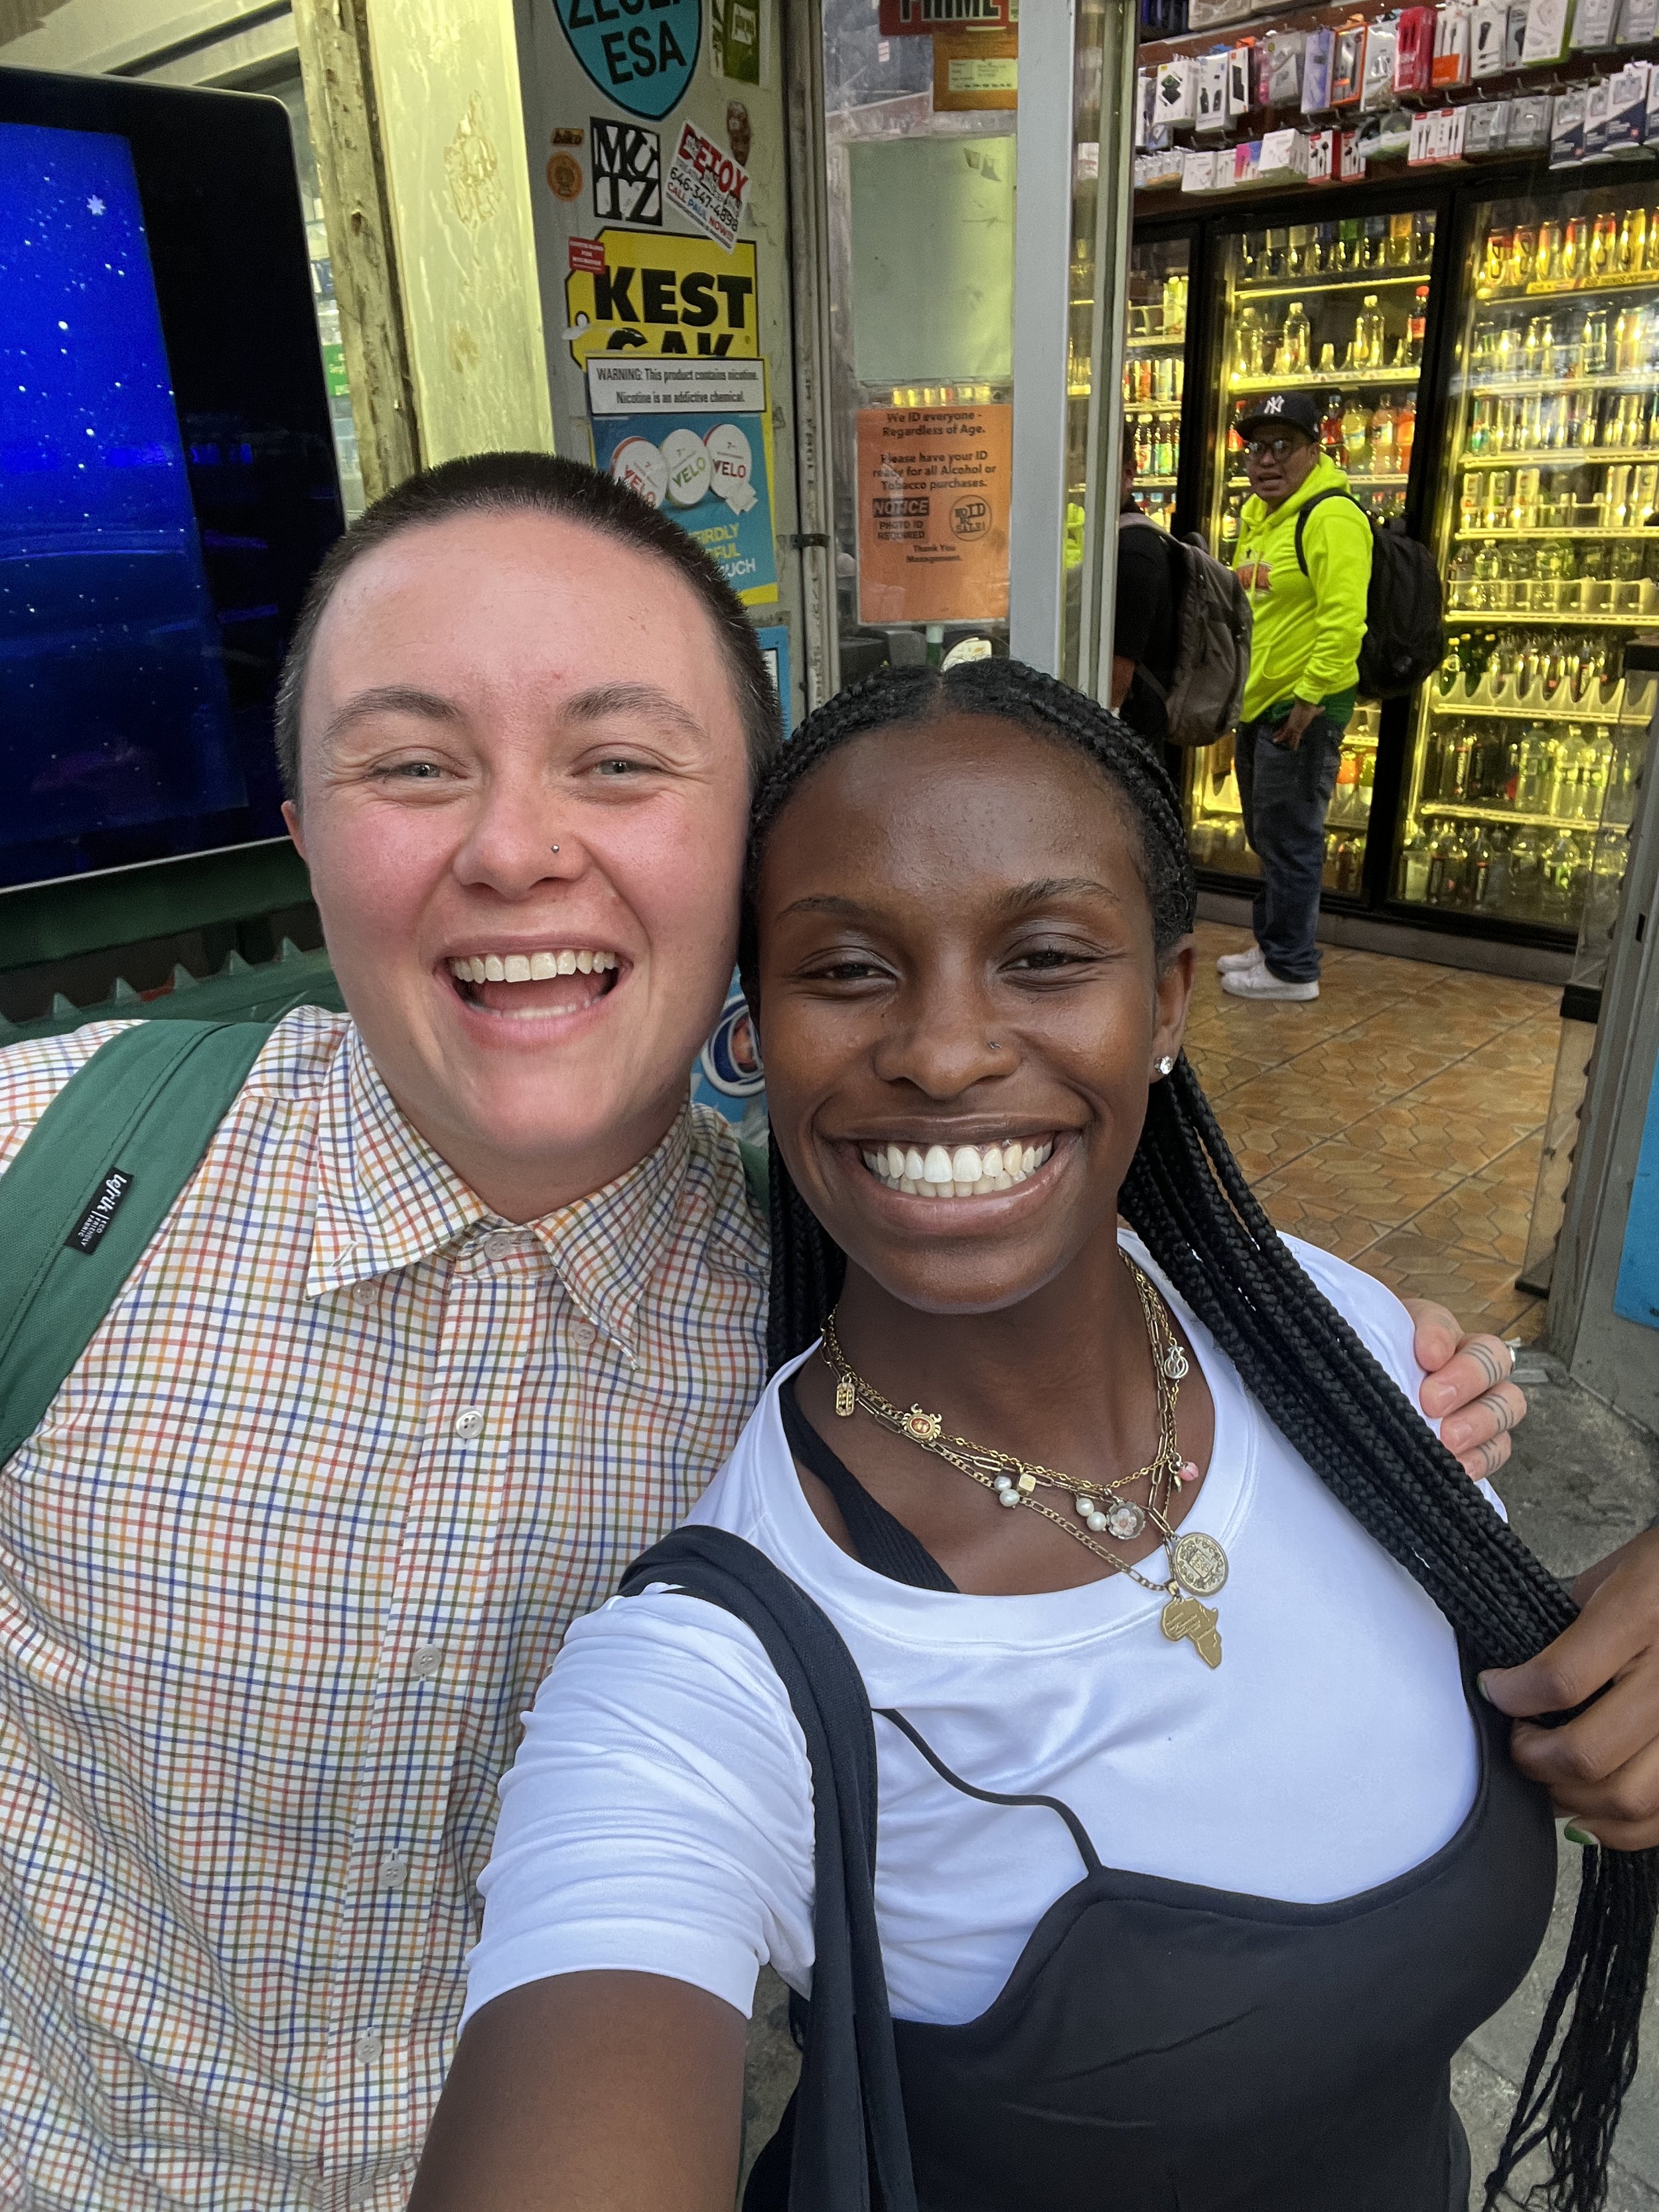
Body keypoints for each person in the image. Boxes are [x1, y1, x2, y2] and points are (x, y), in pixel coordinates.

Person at [0, 455, 1633, 2210]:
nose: (515, 845)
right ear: (302, 821)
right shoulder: (51, 1179)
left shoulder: (923, 1305)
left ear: (727, 870)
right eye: (410, 764)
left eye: (618, 761)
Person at [413, 660, 1655, 2212]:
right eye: (848, 970)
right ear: (758, 1033)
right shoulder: (710, 1683)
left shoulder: (1339, 1342)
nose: (944, 1050)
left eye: (1048, 955)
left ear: (1168, 1004)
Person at [1222, 391, 1372, 1003]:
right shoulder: (1264, 519)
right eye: (1258, 448)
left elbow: (1345, 622)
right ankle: (1275, 941)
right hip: (1262, 703)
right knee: (1268, 834)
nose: (1266, 460)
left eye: (1284, 446)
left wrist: (1309, 699)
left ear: (1316, 450)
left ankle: (1291, 969)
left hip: (1299, 709)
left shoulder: (1330, 518)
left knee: (1291, 837)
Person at [1110, 425, 1181, 743]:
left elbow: (1115, 683)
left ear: (1128, 474)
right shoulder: (1118, 540)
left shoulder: (1135, 551)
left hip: (1129, 740)